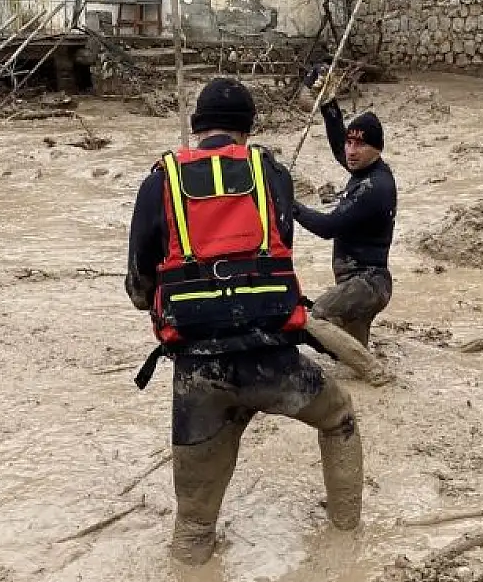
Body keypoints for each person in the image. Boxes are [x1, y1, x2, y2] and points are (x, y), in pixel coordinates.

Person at [125, 77, 364, 566]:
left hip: (198, 374)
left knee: (193, 527)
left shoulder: (158, 183)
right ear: (249, 128)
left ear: (196, 126)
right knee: (339, 418)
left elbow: (138, 286)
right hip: (274, 361)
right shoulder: (272, 174)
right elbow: (278, 253)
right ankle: (349, 543)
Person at [294, 65, 397, 349]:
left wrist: (290, 205)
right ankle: (370, 378)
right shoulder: (364, 170)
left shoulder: (374, 187)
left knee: (319, 317)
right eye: (350, 142)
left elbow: (328, 227)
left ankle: (376, 376)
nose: (350, 150)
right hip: (357, 283)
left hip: (367, 284)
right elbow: (339, 145)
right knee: (352, 352)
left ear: (377, 149)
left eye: (359, 145)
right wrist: (328, 104)